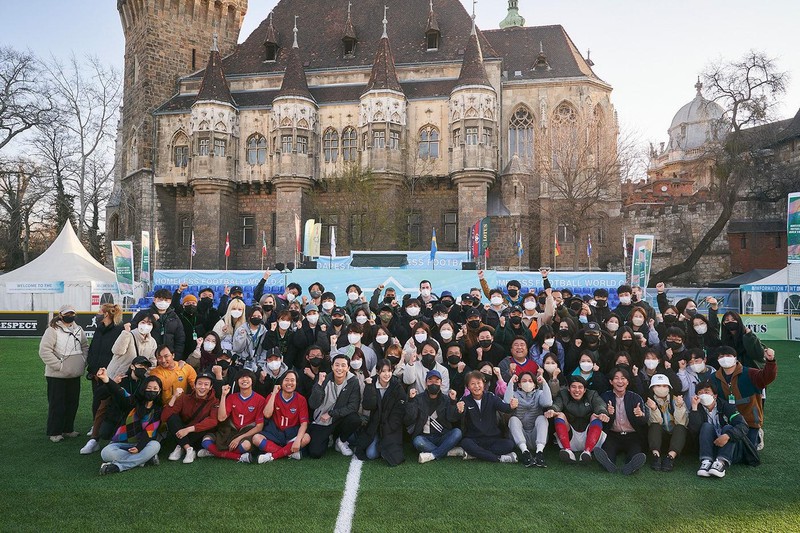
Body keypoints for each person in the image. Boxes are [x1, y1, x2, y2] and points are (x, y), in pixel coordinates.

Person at [96, 367, 163, 474]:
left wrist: (139, 447)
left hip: (142, 445)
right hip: (120, 443)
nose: (152, 391)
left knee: (155, 445)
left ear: (159, 391)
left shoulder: (158, 409)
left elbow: (150, 431)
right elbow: (119, 392)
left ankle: (117, 467)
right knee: (106, 453)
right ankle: (143, 460)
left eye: (155, 389)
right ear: (143, 388)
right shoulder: (133, 401)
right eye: (149, 388)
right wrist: (106, 379)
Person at [709, 345, 777, 448]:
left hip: (750, 419)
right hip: (728, 420)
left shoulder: (750, 373)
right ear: (718, 360)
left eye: (728, 355)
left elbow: (767, 377)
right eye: (721, 356)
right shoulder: (713, 378)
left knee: (748, 450)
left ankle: (758, 434)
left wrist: (770, 361)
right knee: (729, 449)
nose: (725, 358)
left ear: (735, 358)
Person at [689, 380, 760, 478]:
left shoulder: (727, 406)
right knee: (706, 426)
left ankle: (721, 463)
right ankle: (706, 462)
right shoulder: (697, 408)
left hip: (730, 449)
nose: (703, 395)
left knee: (728, 428)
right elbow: (695, 430)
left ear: (715, 395)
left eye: (706, 392)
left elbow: (742, 425)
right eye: (700, 393)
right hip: (711, 447)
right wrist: (694, 408)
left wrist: (727, 436)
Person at [39, 304, 89, 442]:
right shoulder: (52, 330)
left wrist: (82, 361)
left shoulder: (79, 329)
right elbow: (44, 351)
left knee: (72, 403)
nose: (70, 315)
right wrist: (59, 366)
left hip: (74, 374)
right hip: (57, 376)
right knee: (57, 404)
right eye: (67, 313)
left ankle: (68, 429)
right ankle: (55, 432)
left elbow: (85, 346)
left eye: (72, 313)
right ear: (60, 315)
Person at [198, 370, 266, 462]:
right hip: (231, 430)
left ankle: (214, 452)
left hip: (246, 432)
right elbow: (221, 418)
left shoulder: (260, 399)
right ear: (237, 381)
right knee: (206, 440)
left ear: (252, 380)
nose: (244, 379)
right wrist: (223, 395)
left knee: (246, 445)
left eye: (247, 377)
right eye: (241, 377)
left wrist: (239, 438)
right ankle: (238, 457)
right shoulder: (231, 397)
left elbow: (259, 427)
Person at [307, 353, 362, 458]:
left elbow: (353, 406)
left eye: (343, 365)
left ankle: (341, 441)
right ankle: (329, 437)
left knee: (355, 419)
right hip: (322, 420)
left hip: (339, 417)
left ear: (348, 368)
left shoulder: (353, 381)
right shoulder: (324, 379)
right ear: (332, 366)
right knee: (315, 452)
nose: (339, 368)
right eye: (337, 365)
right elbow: (313, 404)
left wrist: (332, 414)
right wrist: (319, 384)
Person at [595, 367, 648, 475]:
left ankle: (631, 466)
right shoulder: (605, 397)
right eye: (616, 378)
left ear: (627, 382)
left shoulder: (635, 398)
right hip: (613, 435)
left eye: (623, 378)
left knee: (635, 454)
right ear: (611, 381)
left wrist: (640, 415)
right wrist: (607, 413)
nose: (620, 381)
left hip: (632, 435)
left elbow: (644, 421)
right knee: (608, 452)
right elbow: (601, 418)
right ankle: (608, 463)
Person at [546, 375, 610, 464]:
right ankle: (567, 450)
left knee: (596, 416)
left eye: (580, 387)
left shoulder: (592, 394)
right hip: (569, 436)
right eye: (573, 387)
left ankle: (587, 452)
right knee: (559, 415)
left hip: (590, 436)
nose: (577, 390)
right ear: (569, 388)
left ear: (584, 390)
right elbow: (557, 404)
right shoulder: (563, 394)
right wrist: (552, 410)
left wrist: (602, 413)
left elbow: (599, 405)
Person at [457, 370, 518, 463]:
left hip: (493, 438)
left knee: (509, 444)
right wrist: (459, 410)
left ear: (484, 384)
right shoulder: (465, 400)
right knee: (465, 443)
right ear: (468, 387)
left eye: (479, 383)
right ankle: (499, 458)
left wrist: (512, 406)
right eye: (473, 384)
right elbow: (459, 415)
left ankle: (476, 454)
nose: (476, 386)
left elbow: (505, 408)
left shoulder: (491, 397)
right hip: (474, 439)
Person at [354, 359, 407, 466]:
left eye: (389, 371)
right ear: (378, 372)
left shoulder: (397, 385)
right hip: (375, 425)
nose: (387, 374)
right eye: (383, 371)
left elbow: (400, 410)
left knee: (391, 454)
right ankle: (378, 443)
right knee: (371, 454)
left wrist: (389, 426)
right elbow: (368, 405)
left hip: (390, 426)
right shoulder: (371, 382)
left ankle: (382, 445)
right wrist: (369, 387)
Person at [252, 371, 311, 462]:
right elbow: (267, 414)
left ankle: (272, 456)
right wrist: (274, 393)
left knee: (306, 438)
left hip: (292, 432)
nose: (289, 383)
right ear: (281, 382)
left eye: (292, 380)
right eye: (286, 380)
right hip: (275, 431)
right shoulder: (273, 395)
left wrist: (298, 440)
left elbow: (304, 423)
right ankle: (289, 452)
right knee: (256, 438)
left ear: (296, 383)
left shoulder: (301, 399)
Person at [406, 371, 464, 463]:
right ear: (426, 383)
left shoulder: (446, 399)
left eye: (436, 381)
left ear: (441, 383)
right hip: (424, 437)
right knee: (417, 441)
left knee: (457, 432)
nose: (433, 383)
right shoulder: (418, 398)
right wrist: (411, 400)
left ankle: (433, 454)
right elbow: (410, 418)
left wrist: (453, 402)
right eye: (430, 381)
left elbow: (451, 418)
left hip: (442, 436)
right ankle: (448, 452)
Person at [162, 371, 219, 464]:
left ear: (210, 387)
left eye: (206, 384)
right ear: (195, 385)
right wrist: (174, 397)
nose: (202, 387)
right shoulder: (185, 398)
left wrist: (189, 429)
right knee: (172, 417)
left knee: (207, 424)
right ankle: (188, 448)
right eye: (199, 384)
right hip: (182, 431)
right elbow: (164, 417)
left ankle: (180, 446)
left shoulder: (215, 402)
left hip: (197, 434)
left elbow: (213, 421)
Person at [86, 303, 125, 434]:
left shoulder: (119, 330)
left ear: (106, 313)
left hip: (110, 374)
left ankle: (109, 427)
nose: (97, 314)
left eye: (99, 311)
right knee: (96, 400)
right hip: (95, 373)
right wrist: (92, 369)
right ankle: (95, 425)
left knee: (109, 401)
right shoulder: (99, 329)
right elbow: (92, 350)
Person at [505, 370, 552, 467]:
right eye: (524, 381)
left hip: (536, 437)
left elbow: (547, 402)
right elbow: (506, 402)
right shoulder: (515, 394)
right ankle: (525, 452)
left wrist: (544, 383)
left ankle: (539, 453)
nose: (527, 383)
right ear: (519, 384)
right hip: (520, 437)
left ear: (534, 384)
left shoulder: (539, 393)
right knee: (513, 419)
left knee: (542, 418)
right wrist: (510, 383)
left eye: (530, 381)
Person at [646, 373, 688, 472]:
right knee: (654, 426)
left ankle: (670, 457)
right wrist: (654, 408)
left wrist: (679, 407)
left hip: (676, 439)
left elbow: (681, 422)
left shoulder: (677, 400)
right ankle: (656, 456)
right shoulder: (649, 402)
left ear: (669, 388)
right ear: (652, 388)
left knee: (680, 428)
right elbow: (655, 422)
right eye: (658, 386)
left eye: (665, 386)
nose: (662, 388)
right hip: (660, 438)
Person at [131, 288, 185, 359]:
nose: (163, 302)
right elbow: (133, 331)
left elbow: (180, 339)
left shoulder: (174, 317)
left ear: (170, 301)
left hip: (166, 357)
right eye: (160, 299)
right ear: (154, 300)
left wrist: (176, 357)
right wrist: (148, 321)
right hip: (147, 355)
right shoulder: (142, 314)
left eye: (166, 300)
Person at [232, 306, 269, 373]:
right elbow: (236, 348)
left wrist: (260, 364)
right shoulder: (241, 329)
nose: (256, 318)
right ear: (249, 317)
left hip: (257, 364)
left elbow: (265, 350)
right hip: (242, 362)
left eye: (259, 316)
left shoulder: (265, 331)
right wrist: (242, 337)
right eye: (254, 316)